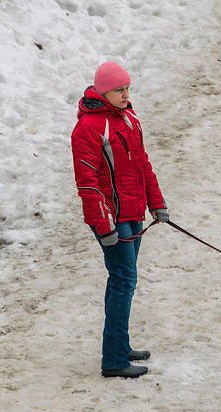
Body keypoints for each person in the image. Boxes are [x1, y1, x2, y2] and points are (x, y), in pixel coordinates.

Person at [71, 62, 169, 378]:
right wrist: (104, 225)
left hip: (133, 213)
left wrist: (157, 203)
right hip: (111, 219)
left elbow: (143, 166)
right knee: (124, 279)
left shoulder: (128, 119)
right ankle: (113, 360)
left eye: (127, 88)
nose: (126, 94)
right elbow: (87, 184)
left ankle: (119, 344)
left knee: (122, 281)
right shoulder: (88, 128)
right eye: (119, 90)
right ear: (103, 92)